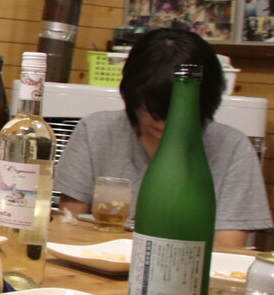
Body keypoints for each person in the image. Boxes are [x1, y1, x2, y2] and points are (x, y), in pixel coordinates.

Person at [55, 28, 271, 246]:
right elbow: (70, 229)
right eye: (153, 110)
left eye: (177, 112)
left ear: (205, 102)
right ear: (131, 93)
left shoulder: (233, 149)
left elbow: (227, 250)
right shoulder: (95, 131)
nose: (163, 123)